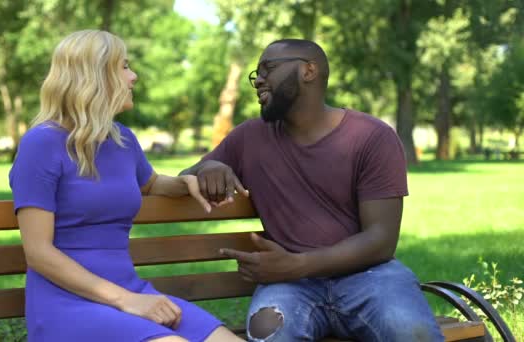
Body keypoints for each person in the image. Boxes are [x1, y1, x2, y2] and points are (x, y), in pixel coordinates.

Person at [180, 39, 444, 341]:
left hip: (370, 277)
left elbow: (381, 241)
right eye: (257, 73)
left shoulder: (372, 137)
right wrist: (208, 167)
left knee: (412, 333)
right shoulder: (249, 137)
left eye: (269, 68)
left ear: (308, 71)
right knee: (269, 333)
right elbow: (186, 175)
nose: (259, 80)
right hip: (289, 288)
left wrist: (297, 265)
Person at [9, 30, 243, 342]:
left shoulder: (121, 139)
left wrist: (186, 183)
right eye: (123, 66)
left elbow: (149, 184)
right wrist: (127, 301)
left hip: (132, 291)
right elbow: (38, 253)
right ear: (93, 77)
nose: (133, 76)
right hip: (68, 305)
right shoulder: (41, 144)